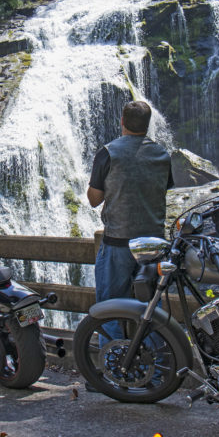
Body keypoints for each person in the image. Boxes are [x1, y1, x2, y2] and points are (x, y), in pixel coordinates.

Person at [86, 101, 173, 318]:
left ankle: (112, 351)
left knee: (110, 307)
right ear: (147, 124)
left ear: (122, 121)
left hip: (119, 241)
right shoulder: (162, 154)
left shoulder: (107, 153)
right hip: (153, 244)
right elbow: (162, 189)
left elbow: (94, 199)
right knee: (152, 308)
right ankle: (156, 351)